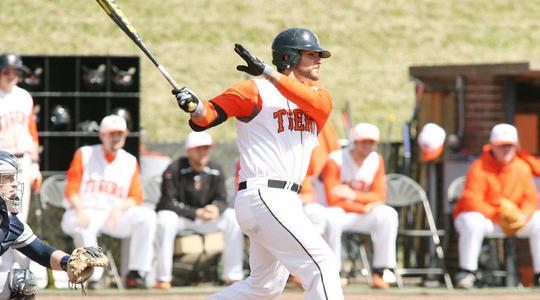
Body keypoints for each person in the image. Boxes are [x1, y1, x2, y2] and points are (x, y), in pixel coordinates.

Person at [173, 28, 344, 299]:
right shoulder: (254, 90)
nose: (319, 60)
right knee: (322, 264)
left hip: (287, 200)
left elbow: (310, 101)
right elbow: (209, 115)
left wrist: (267, 70)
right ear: (289, 57)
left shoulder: (318, 97)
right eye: (311, 55)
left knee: (264, 287)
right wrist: (195, 107)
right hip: (264, 195)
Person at [60, 114, 157, 289]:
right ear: (102, 135)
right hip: (83, 211)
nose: (116, 138)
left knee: (147, 216)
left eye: (119, 134)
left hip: (112, 215)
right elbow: (71, 190)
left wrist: (119, 206)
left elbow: (136, 198)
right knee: (85, 226)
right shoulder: (85, 154)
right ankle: (94, 277)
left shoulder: (129, 160)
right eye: (111, 134)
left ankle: (137, 273)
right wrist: (80, 210)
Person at [0, 149, 106, 298]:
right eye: (8, 178)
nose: (15, 184)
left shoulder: (9, 221)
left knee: (24, 282)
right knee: (19, 281)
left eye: (14, 178)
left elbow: (42, 252)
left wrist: (68, 262)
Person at [453, 123, 540, 288]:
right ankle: (467, 272)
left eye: (510, 146)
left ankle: (539, 274)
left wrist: (523, 215)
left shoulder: (522, 167)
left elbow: (531, 199)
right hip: (488, 219)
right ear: (492, 146)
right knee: (473, 220)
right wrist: (498, 213)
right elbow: (472, 201)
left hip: (514, 219)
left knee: (539, 219)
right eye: (502, 146)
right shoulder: (478, 167)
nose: (506, 150)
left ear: (516, 147)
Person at [154, 131, 244, 289]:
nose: (203, 152)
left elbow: (222, 199)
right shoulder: (174, 168)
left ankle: (233, 276)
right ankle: (163, 278)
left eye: (206, 148)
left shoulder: (215, 169)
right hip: (181, 218)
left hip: (206, 219)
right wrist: (195, 213)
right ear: (188, 150)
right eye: (198, 148)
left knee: (232, 217)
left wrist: (216, 208)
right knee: (164, 219)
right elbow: (167, 202)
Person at [320, 122, 398, 289]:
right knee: (332, 217)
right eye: (364, 142)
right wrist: (363, 206)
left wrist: (353, 195)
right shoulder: (335, 159)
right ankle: (334, 272)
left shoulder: (376, 160)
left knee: (388, 214)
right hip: (339, 213)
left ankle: (381, 270)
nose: (368, 146)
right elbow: (332, 199)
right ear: (354, 142)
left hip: (359, 213)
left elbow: (379, 196)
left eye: (372, 142)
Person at [0, 53, 42, 272]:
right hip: (1, 162)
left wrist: (35, 165)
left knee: (19, 216)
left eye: (15, 72)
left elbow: (31, 132)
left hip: (22, 159)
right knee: (3, 216)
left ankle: (21, 270)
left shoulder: (24, 96)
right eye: (6, 71)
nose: (11, 76)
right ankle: (4, 269)